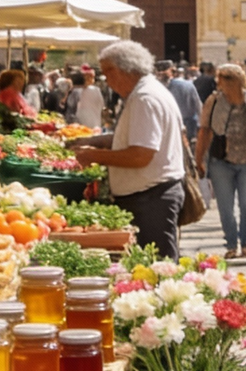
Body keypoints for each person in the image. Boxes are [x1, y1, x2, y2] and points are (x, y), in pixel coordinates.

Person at [70, 40, 185, 257]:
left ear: (124, 69)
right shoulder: (145, 93)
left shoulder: (145, 99)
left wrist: (94, 155)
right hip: (149, 196)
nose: (107, 80)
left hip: (150, 198)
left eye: (108, 73)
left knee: (156, 266)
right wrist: (96, 142)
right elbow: (133, 139)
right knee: (150, 265)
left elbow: (140, 155)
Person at [196, 64, 246, 260]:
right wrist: (199, 158)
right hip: (221, 160)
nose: (219, 83)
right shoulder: (213, 101)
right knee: (225, 206)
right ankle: (231, 243)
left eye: (223, 79)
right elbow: (205, 130)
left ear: (235, 81)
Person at [160, 61, 201, 146]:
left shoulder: (156, 88)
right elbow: (198, 106)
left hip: (169, 127)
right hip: (189, 125)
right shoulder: (188, 85)